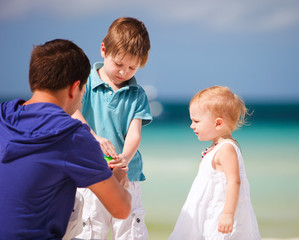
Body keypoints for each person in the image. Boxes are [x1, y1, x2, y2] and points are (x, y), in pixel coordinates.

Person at [0, 39, 131, 239]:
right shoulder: (72, 135)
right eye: (83, 91)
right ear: (74, 88)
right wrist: (118, 180)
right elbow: (121, 209)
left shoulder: (3, 115)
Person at [73, 17, 152, 239]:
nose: (123, 72)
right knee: (89, 228)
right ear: (103, 50)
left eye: (132, 67)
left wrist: (125, 158)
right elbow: (73, 113)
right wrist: (94, 137)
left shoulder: (137, 95)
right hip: (90, 171)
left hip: (128, 173)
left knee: (129, 230)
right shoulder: (85, 83)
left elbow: (134, 133)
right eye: (118, 64)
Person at [169, 86, 261, 240]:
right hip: (207, 210)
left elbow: (234, 182)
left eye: (196, 121)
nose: (192, 125)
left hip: (218, 212)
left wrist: (228, 214)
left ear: (218, 123)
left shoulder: (226, 149)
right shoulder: (216, 147)